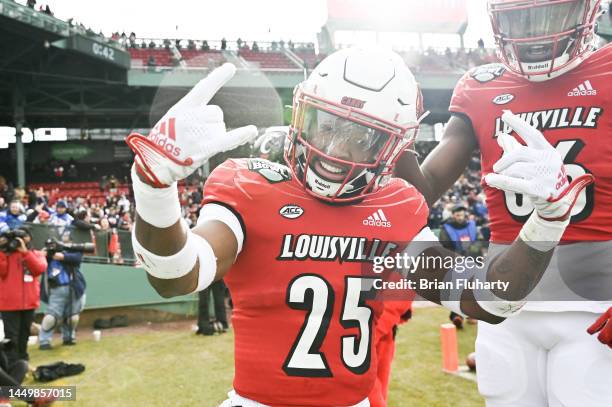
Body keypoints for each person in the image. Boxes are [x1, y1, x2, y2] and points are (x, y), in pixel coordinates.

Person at [126, 50, 588, 406]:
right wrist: (154, 190)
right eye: (325, 125)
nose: (333, 149)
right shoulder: (250, 185)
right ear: (299, 114)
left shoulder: (397, 206)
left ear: (395, 149)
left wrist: (548, 220)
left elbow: (489, 299)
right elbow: (176, 275)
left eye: (362, 137)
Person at [395, 1, 612, 405]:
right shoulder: (481, 84)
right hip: (504, 304)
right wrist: (397, 137)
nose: (534, 34)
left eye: (549, 15)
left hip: (596, 306)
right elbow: (417, 194)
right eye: (519, 19)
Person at [0, 227, 47, 365]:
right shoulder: (6, 255)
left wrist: (25, 253)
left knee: (24, 334)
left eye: (23, 236)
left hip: (29, 302)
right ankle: (13, 364)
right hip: (9, 303)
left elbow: (39, 269)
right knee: (11, 336)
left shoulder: (36, 254)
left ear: (29, 238)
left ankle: (23, 360)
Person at [38, 235, 87, 349]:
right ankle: (44, 341)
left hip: (73, 288)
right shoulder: (46, 255)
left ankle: (69, 337)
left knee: (72, 317)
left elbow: (77, 258)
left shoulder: (71, 251)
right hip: (56, 288)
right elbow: (36, 263)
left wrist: (61, 256)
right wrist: (42, 255)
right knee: (51, 318)